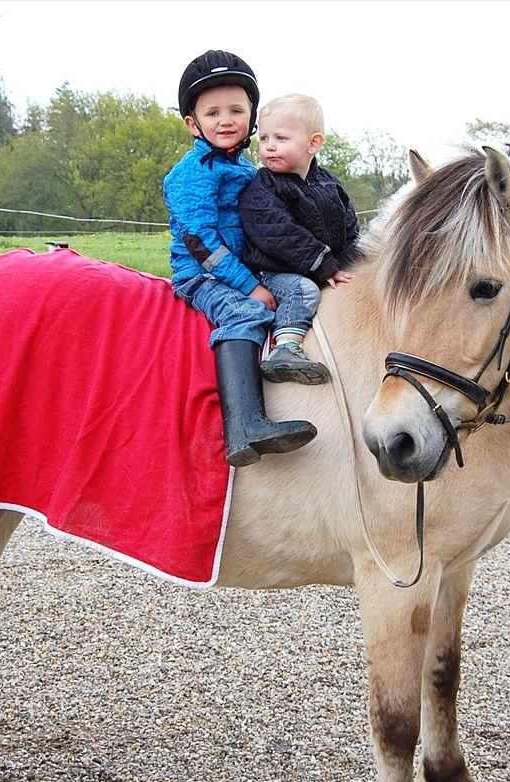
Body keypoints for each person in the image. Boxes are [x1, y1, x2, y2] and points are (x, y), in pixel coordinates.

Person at [163, 50, 317, 468]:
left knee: (303, 290)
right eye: (213, 112)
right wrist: (249, 286)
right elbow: (201, 243)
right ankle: (245, 425)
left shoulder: (248, 171)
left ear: (251, 116)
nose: (226, 120)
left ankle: (288, 355)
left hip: (247, 268)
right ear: (193, 123)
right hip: (202, 275)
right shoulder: (190, 174)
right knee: (245, 313)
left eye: (236, 109)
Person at [239, 94, 360, 384]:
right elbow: (279, 234)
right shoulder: (263, 187)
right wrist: (324, 264)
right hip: (275, 272)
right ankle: (286, 348)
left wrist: (351, 263)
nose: (269, 146)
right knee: (303, 291)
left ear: (313, 143)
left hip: (319, 267)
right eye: (264, 137)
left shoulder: (329, 184)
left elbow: (349, 224)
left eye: (280, 138)